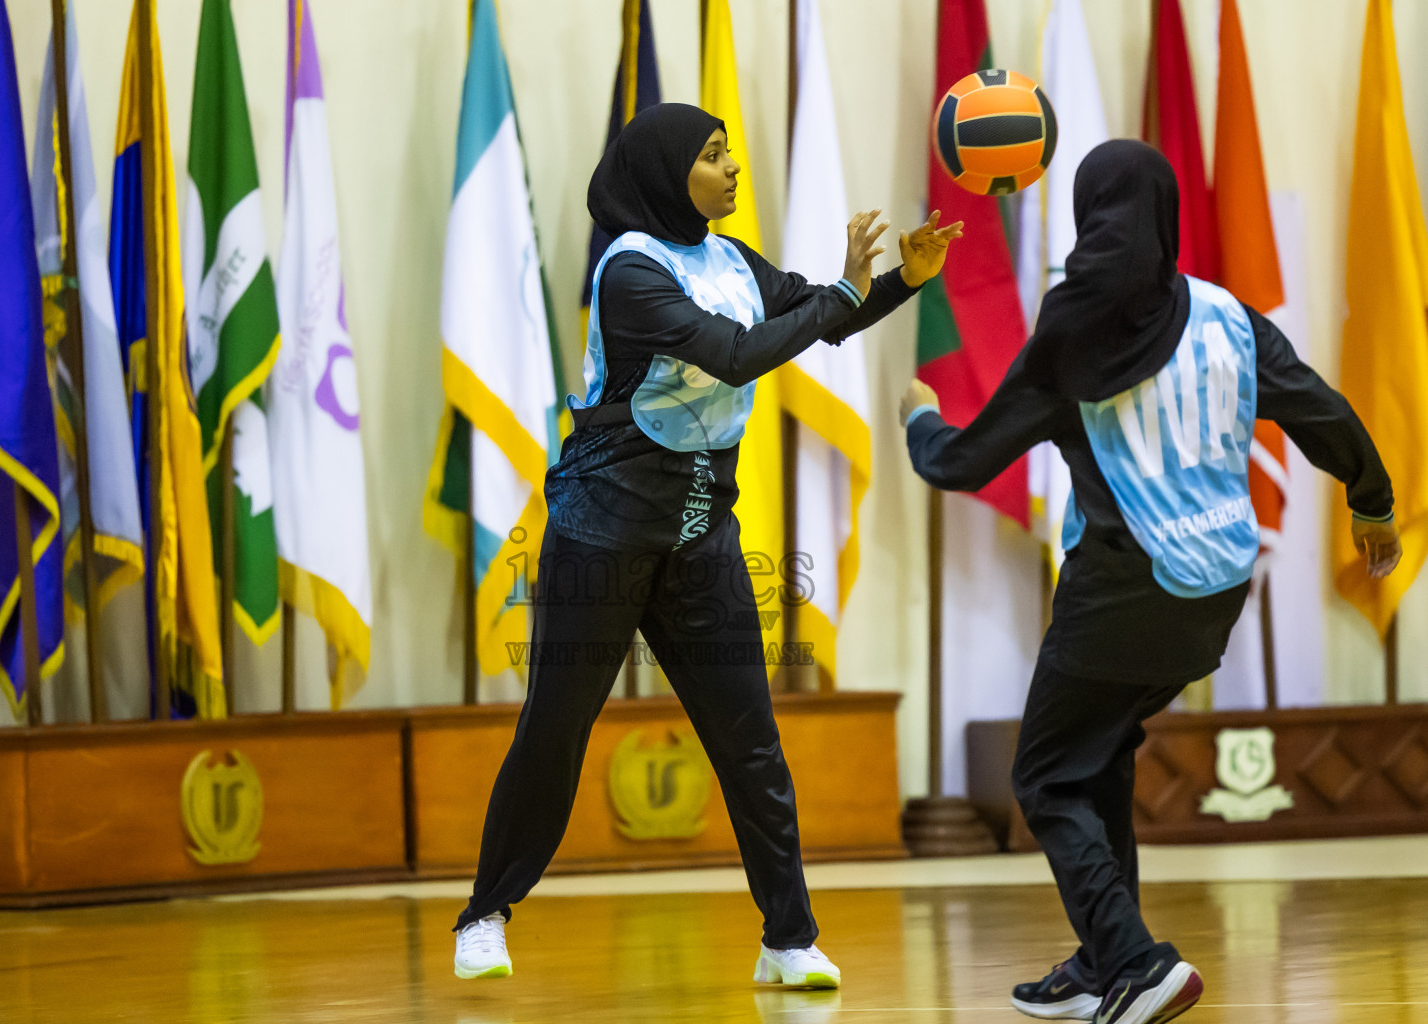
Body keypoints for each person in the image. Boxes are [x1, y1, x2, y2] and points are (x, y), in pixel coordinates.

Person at [453, 102, 962, 985]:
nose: (732, 168)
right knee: (555, 731)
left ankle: (789, 940)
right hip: (599, 537)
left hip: (697, 537)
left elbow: (818, 318)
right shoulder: (628, 274)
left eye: (730, 152)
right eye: (713, 155)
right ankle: (485, 914)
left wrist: (898, 285)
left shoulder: (727, 259)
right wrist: (839, 292)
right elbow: (734, 354)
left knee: (750, 739)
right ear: (663, 173)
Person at [899, 140, 1400, 1024]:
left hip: (1121, 590)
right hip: (1215, 592)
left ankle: (1137, 962)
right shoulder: (1228, 318)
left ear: (1089, 218)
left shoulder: (1068, 338)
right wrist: (1372, 501)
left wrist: (920, 422)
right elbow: (1321, 410)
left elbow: (967, 463)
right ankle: (1103, 962)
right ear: (1166, 217)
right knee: (1100, 757)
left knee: (1048, 777)